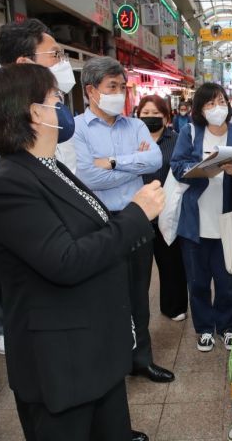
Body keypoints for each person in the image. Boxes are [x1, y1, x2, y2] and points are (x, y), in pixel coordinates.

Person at [0, 63, 162, 441]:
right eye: (55, 99)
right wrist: (136, 215)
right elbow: (66, 260)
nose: (62, 108)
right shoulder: (10, 184)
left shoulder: (49, 167)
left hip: (92, 351)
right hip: (62, 363)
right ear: (33, 114)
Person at [0, 18, 78, 354]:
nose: (62, 63)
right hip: (30, 258)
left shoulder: (45, 111)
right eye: (54, 54)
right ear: (25, 63)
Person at [73, 57, 173, 384]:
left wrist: (112, 162)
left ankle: (141, 358)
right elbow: (86, 176)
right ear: (91, 91)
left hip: (137, 218)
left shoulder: (136, 125)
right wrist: (131, 164)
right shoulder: (76, 129)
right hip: (98, 221)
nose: (120, 94)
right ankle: (111, 366)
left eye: (122, 87)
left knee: (138, 293)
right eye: (111, 87)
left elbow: (153, 160)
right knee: (105, 296)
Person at [170, 83, 232, 352]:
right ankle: (204, 328)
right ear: (199, 109)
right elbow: (177, 166)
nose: (215, 108)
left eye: (219, 101)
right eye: (208, 104)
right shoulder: (190, 132)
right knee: (197, 281)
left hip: (227, 219)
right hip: (195, 221)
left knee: (226, 279)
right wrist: (198, 169)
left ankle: (227, 326)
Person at [138, 95, 188, 322]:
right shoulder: (132, 140)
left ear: (167, 117)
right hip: (138, 211)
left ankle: (174, 306)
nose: (150, 118)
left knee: (171, 262)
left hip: (167, 210)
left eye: (155, 114)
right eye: (145, 113)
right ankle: (136, 313)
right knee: (139, 266)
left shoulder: (177, 140)